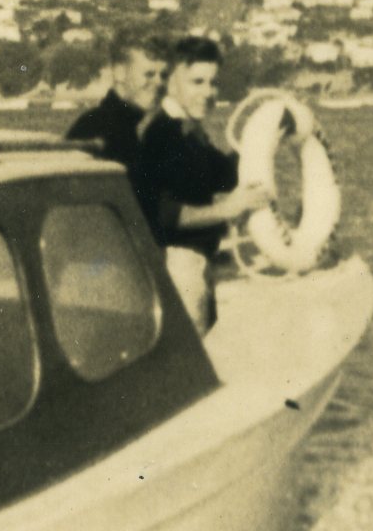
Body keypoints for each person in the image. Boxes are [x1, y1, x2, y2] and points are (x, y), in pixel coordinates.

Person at [68, 37, 268, 327]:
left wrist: (262, 133)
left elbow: (224, 174)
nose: (208, 92)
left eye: (213, 83)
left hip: (168, 267)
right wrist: (226, 210)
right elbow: (156, 212)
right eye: (197, 82)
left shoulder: (180, 131)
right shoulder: (154, 131)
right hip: (162, 269)